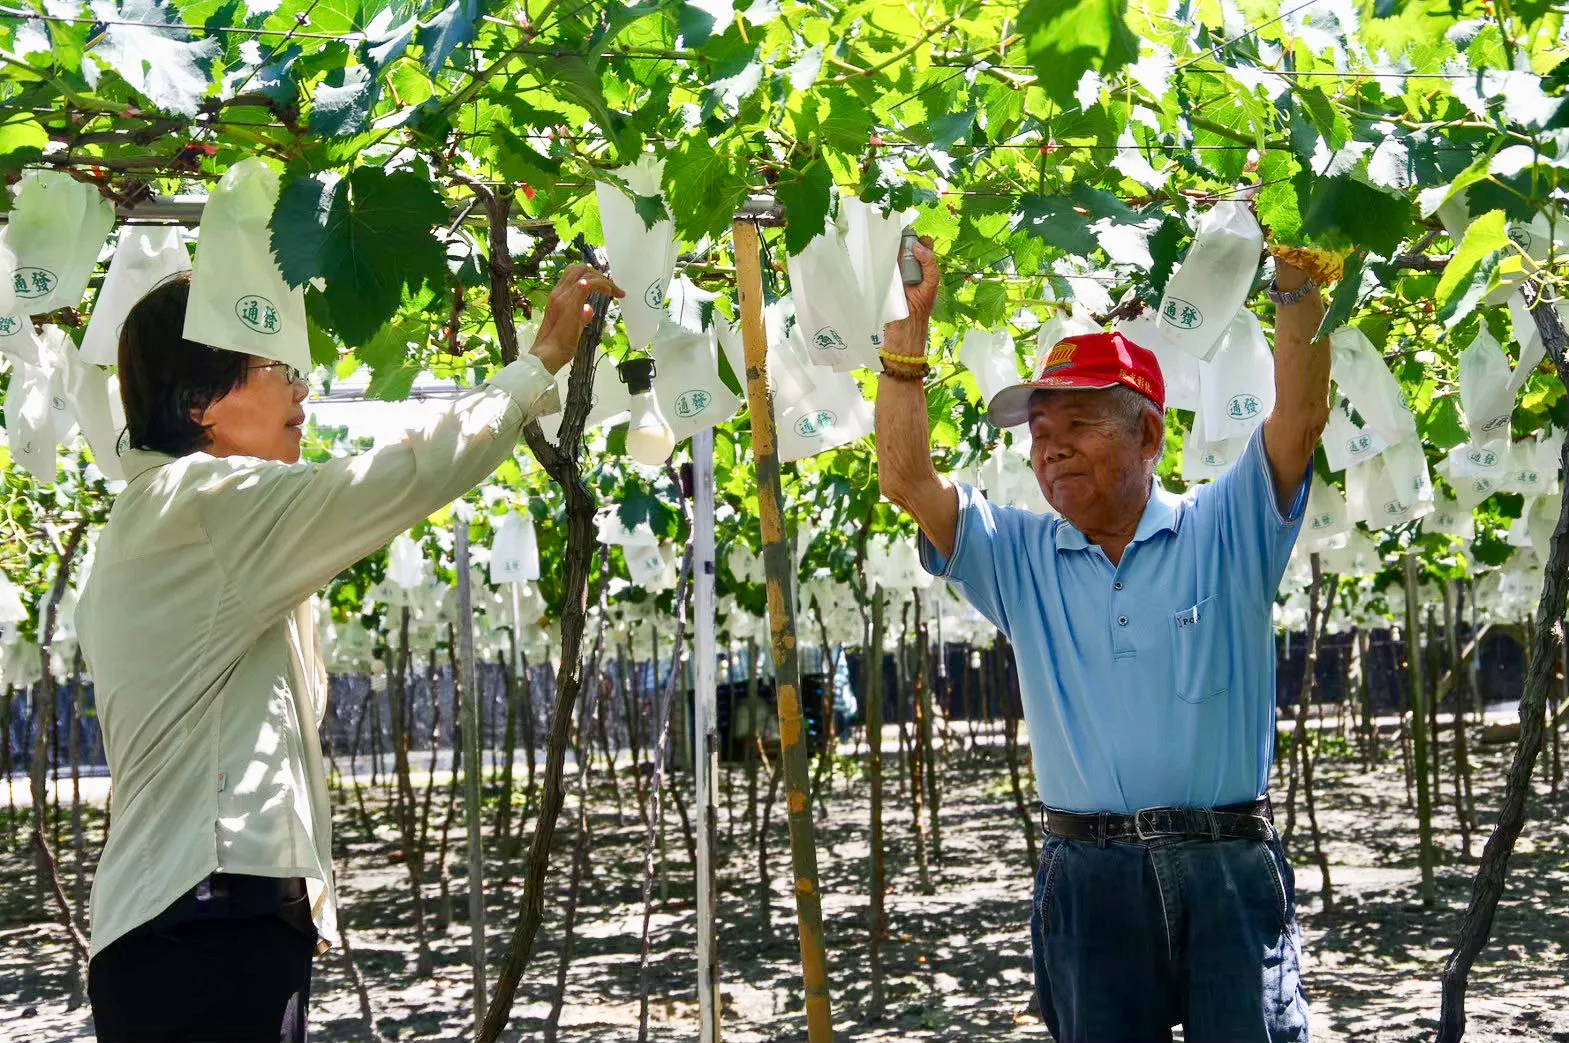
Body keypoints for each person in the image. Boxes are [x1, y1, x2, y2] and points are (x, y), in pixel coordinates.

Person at [76, 263, 623, 1042]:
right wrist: (537, 365)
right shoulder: (208, 504)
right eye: (277, 371)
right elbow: (402, 475)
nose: (303, 393)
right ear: (201, 405)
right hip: (203, 925)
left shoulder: (160, 517)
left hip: (190, 921)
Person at [875, 236, 1329, 1043]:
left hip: (1225, 864)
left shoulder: (1224, 528)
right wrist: (907, 335)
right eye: (1038, 431)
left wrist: (1294, 265)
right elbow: (908, 480)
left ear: (1148, 436)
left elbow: (1296, 415)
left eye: (1077, 424)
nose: (1048, 448)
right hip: (1088, 875)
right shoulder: (1016, 554)